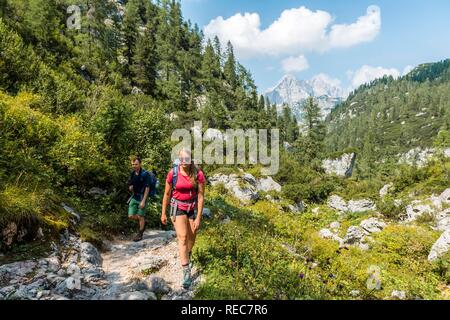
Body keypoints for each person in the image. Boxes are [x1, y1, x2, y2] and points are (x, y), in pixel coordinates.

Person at [161, 149, 205, 289]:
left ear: (191, 159)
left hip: (192, 208)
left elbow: (200, 196)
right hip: (177, 207)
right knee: (183, 237)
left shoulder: (198, 174)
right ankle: (186, 272)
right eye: (182, 159)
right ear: (179, 159)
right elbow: (167, 194)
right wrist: (163, 213)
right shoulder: (172, 173)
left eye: (187, 158)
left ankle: (188, 254)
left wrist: (198, 217)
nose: (184, 161)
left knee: (192, 239)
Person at [127, 156, 153, 242]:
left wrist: (143, 201)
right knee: (130, 215)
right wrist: (130, 187)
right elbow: (130, 184)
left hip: (142, 197)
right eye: (133, 164)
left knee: (141, 216)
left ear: (140, 164)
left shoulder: (145, 174)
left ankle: (140, 234)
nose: (134, 166)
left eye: (136, 164)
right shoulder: (132, 173)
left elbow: (147, 188)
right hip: (134, 197)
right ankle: (143, 222)